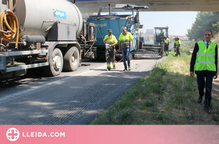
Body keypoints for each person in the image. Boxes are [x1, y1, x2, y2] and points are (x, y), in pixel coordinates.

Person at [190, 30, 218, 114]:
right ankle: (201, 95)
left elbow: (216, 59)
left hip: (210, 70)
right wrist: (191, 69)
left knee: (209, 88)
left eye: (209, 34)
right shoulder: (198, 44)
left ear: (211, 36)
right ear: (204, 35)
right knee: (200, 86)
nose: (207, 36)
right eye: (206, 34)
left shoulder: (215, 46)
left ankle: (207, 105)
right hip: (200, 69)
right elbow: (193, 57)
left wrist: (216, 71)